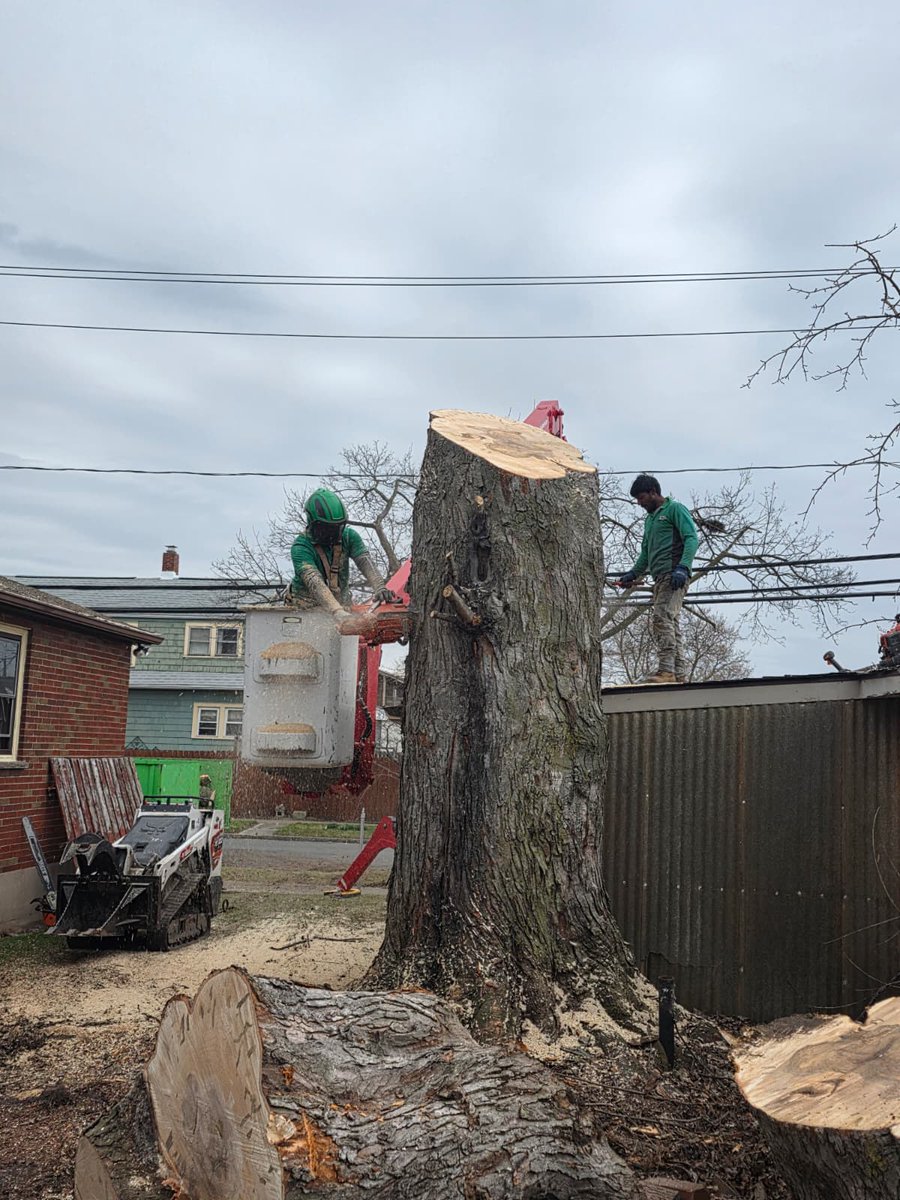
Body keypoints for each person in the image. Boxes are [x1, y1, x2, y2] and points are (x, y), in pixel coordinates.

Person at [615, 473, 699, 684]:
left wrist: (683, 566)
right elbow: (645, 553)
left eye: (642, 498)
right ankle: (679, 674)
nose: (640, 503)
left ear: (653, 492)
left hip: (674, 574)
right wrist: (634, 573)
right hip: (659, 577)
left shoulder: (674, 509)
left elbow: (691, 538)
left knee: (661, 617)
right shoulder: (650, 520)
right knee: (670, 621)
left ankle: (666, 671)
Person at [290, 488, 398, 622]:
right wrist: (337, 611)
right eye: (328, 529)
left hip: (343, 605)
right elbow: (314, 582)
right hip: (305, 610)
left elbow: (364, 561)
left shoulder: (349, 536)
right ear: (314, 525)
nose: (334, 533)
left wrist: (379, 587)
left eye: (338, 527)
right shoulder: (301, 547)